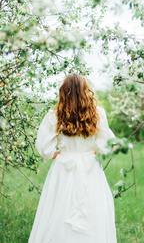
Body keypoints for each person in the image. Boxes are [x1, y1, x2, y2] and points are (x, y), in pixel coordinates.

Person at [28, 73, 117, 243]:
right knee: (93, 210)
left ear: (64, 92)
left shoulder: (56, 115)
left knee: (59, 209)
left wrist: (52, 153)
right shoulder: (97, 113)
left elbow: (43, 146)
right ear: (86, 91)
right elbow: (108, 143)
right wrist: (97, 151)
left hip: (64, 167)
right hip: (90, 168)